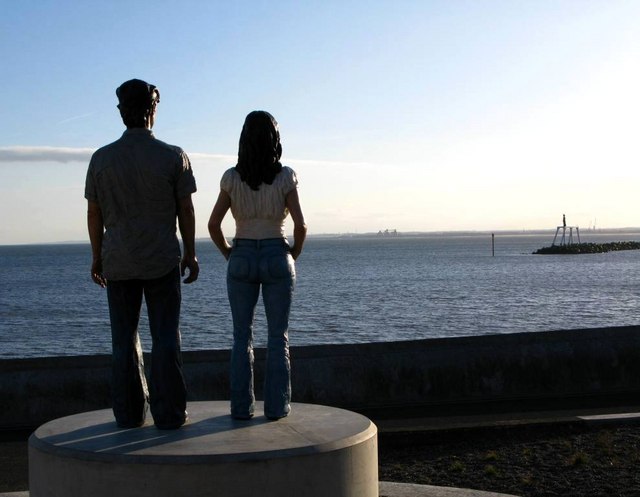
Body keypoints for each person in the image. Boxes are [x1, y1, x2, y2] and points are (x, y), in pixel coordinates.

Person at [85, 78, 198, 430]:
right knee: (166, 338)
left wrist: (97, 257)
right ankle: (169, 413)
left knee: (123, 341)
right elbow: (186, 211)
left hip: (118, 261)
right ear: (151, 110)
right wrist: (190, 253)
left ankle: (129, 413)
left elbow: (94, 213)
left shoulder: (101, 159)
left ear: (122, 113)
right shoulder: (173, 156)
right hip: (162, 260)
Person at [208, 110, 307, 420]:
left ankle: (241, 407)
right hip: (277, 253)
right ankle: (277, 407)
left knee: (241, 336)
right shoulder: (285, 177)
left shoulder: (231, 178)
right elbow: (301, 226)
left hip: (242, 255)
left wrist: (230, 254)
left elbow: (213, 225)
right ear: (275, 140)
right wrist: (293, 254)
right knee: (278, 337)